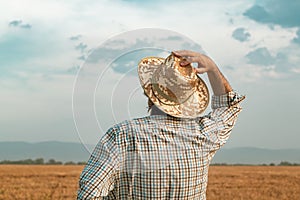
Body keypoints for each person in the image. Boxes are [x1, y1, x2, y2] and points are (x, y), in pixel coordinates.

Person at [77, 50, 245, 199]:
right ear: (189, 98)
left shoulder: (121, 135)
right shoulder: (204, 134)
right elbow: (229, 106)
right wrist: (212, 68)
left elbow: (90, 192)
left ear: (148, 92)